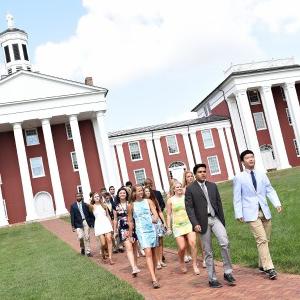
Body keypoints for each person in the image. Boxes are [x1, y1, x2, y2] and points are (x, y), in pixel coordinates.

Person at [233, 150, 282, 280]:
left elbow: (269, 189)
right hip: (251, 213)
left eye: (252, 157)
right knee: (261, 239)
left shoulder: (261, 174)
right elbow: (237, 197)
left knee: (266, 239)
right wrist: (239, 213)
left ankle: (261, 264)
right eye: (247, 158)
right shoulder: (239, 177)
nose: (251, 159)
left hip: (264, 211)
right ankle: (269, 268)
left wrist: (276, 203)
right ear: (242, 162)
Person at [185, 164, 235, 288]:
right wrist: (195, 223)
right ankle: (212, 279)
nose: (203, 173)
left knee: (225, 242)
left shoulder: (213, 186)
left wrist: (222, 221)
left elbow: (219, 203)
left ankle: (228, 272)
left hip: (215, 218)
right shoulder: (191, 189)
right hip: (202, 222)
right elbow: (189, 208)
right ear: (195, 174)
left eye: (204, 171)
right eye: (200, 172)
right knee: (208, 251)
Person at [128, 184, 160, 289]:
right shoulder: (131, 205)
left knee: (154, 253)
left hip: (152, 229)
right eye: (138, 191)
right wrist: (130, 234)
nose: (141, 192)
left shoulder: (149, 201)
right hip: (141, 231)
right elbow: (130, 220)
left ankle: (153, 273)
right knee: (148, 253)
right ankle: (154, 279)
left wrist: (155, 218)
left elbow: (155, 212)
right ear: (134, 193)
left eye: (142, 190)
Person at [167, 181, 200, 275]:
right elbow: (169, 215)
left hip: (189, 223)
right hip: (177, 226)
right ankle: (181, 261)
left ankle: (194, 265)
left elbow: (194, 210)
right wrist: (169, 227)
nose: (179, 188)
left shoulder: (187, 197)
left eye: (180, 186)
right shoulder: (170, 200)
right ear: (173, 189)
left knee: (193, 243)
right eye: (177, 187)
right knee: (182, 247)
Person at [113, 187, 140, 276]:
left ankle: (135, 265)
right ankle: (134, 268)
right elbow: (115, 219)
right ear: (118, 195)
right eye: (120, 193)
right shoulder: (115, 205)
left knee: (134, 246)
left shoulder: (131, 203)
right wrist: (115, 231)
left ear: (126, 194)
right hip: (123, 228)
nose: (122, 194)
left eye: (124, 193)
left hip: (133, 226)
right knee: (128, 247)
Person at [182, 170, 206, 268]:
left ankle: (204, 258)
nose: (190, 178)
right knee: (191, 240)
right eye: (188, 176)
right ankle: (191, 256)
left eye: (191, 176)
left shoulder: (199, 186)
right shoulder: (183, 190)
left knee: (201, 239)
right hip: (188, 216)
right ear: (185, 178)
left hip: (199, 216)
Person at [144, 186, 167, 269]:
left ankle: (161, 260)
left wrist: (164, 222)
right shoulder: (143, 202)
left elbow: (160, 212)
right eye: (145, 191)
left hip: (158, 223)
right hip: (150, 224)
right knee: (155, 243)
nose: (147, 193)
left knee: (160, 242)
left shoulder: (155, 200)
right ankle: (157, 261)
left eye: (148, 191)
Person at [90, 192, 114, 265]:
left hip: (106, 223)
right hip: (99, 224)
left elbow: (108, 216)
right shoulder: (92, 206)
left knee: (109, 239)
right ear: (93, 198)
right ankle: (103, 252)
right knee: (103, 243)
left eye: (98, 196)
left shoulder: (104, 205)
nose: (97, 197)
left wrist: (111, 224)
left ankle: (110, 258)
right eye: (95, 197)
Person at [70, 192, 95, 257]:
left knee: (87, 237)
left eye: (80, 196)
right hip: (78, 223)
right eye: (77, 196)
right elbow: (72, 216)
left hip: (86, 222)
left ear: (81, 197)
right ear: (76, 197)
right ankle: (82, 248)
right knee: (80, 237)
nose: (78, 197)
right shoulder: (73, 206)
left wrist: (92, 223)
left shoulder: (85, 205)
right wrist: (73, 226)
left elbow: (90, 214)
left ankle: (88, 251)